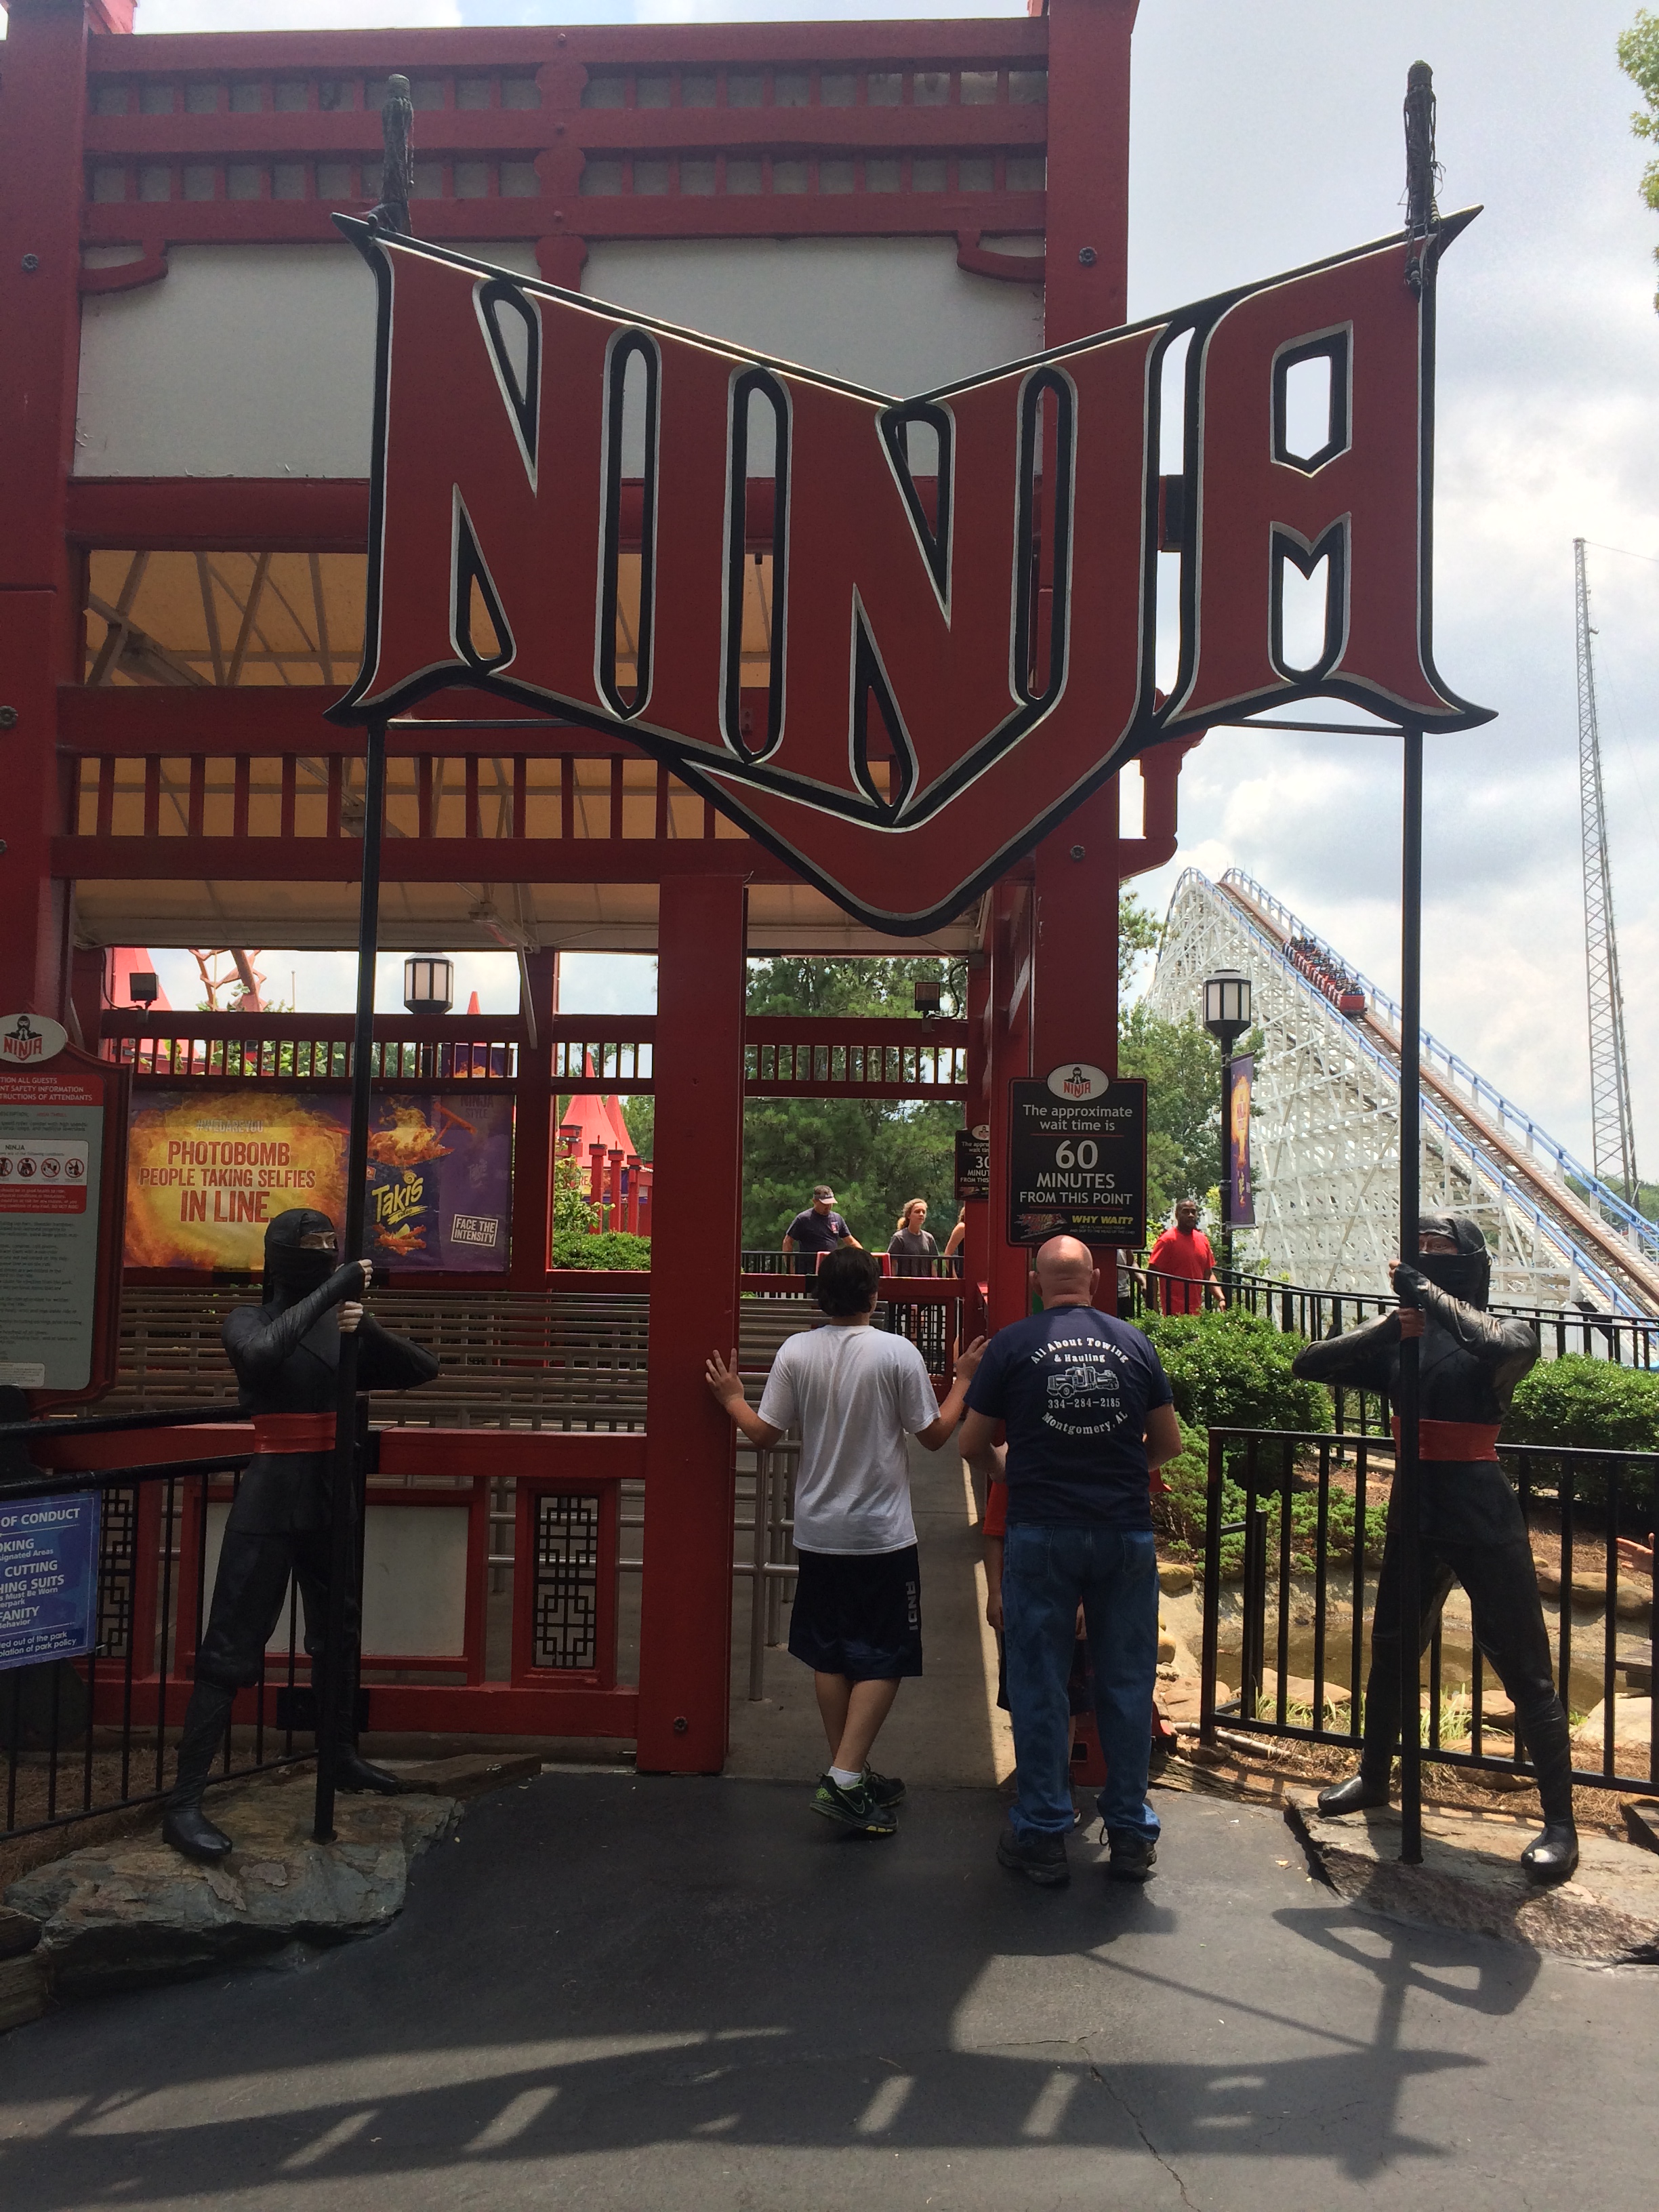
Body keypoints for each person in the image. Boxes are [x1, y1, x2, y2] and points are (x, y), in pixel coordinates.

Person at [1292, 1215, 1578, 1883]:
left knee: (1524, 1666)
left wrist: (1422, 1291)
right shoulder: (1406, 1342)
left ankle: (1561, 1823)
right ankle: (1374, 1775)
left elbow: (1494, 1345)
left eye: (1440, 1248)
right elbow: (1309, 1363)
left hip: (1482, 1514)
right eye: (1417, 1248)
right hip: (1414, 1510)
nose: (1425, 1256)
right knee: (1392, 1648)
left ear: (1469, 1261)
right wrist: (1387, 1330)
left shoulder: (1509, 1333)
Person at [162, 1208, 441, 1863]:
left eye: (330, 1245)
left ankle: (338, 1754)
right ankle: (184, 1801)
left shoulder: (334, 1324)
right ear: (284, 1255)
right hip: (272, 1491)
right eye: (312, 1246)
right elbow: (260, 1356)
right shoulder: (249, 1320)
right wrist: (335, 1289)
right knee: (231, 1643)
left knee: (337, 1631)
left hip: (331, 1489)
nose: (324, 1252)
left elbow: (421, 1368)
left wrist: (364, 1328)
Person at [706, 1246, 984, 1835]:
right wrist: (963, 1380)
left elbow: (764, 1434)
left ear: (820, 1296)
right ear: (874, 1296)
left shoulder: (796, 1351)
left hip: (818, 1530)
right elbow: (935, 1435)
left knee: (830, 1652)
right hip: (880, 1534)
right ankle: (845, 1777)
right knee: (886, 1652)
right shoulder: (897, 1352)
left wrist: (731, 1397)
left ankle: (848, 1774)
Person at [962, 1235, 1183, 1886]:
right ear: (1095, 1280)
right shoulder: (1135, 1343)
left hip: (1041, 1530)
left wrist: (1012, 1471)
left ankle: (1043, 1834)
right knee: (1126, 1681)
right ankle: (1130, 1833)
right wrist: (1118, 1471)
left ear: (1037, 1283)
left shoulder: (1011, 1345)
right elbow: (1167, 1444)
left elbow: (971, 1444)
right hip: (1123, 1532)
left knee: (1040, 1684)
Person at [1145, 1198, 1221, 1315]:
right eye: (1185, 1212)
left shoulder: (1202, 1239)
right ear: (1177, 1215)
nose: (1190, 1215)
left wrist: (1221, 1298)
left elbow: (1208, 1274)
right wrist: (1153, 1306)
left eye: (1193, 1212)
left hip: (1197, 1311)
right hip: (1174, 1312)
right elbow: (1152, 1273)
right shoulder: (1167, 1240)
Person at [781, 1184, 861, 1275]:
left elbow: (850, 1241)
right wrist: (791, 1270)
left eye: (830, 1203)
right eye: (824, 1204)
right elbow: (788, 1242)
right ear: (815, 1201)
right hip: (809, 1270)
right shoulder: (803, 1219)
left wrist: (867, 1258)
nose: (828, 1206)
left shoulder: (837, 1218)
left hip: (831, 1269)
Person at [887, 1197, 939, 1277]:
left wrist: (935, 1281)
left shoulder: (929, 1238)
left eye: (924, 1212)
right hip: (905, 1282)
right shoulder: (899, 1237)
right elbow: (892, 1264)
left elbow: (932, 1264)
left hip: (925, 1282)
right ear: (909, 1215)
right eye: (917, 1212)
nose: (921, 1214)